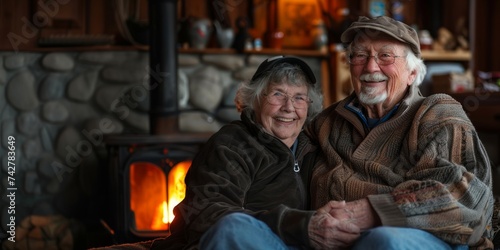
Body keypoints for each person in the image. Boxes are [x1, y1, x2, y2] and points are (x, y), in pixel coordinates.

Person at [306, 16, 495, 249]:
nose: (370, 67)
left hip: (419, 240)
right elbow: (282, 160)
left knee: (384, 240)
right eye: (360, 55)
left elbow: (470, 197)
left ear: (412, 74)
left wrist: (373, 212)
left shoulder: (436, 113)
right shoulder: (327, 122)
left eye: (385, 56)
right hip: (330, 242)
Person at [150, 55, 360, 250]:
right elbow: (207, 214)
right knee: (232, 228)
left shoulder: (314, 145)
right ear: (255, 99)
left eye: (299, 98)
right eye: (278, 94)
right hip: (256, 242)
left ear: (308, 105)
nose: (288, 107)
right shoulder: (233, 144)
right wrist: (297, 224)